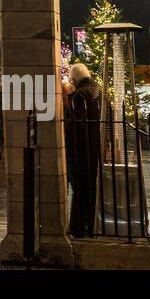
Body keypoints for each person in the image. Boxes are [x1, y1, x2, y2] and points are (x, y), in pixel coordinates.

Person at [62, 63, 101, 238]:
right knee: (91, 189)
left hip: (80, 151)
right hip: (95, 150)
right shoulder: (98, 90)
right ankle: (91, 224)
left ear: (75, 79)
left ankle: (77, 227)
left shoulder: (79, 96)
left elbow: (76, 126)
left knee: (79, 190)